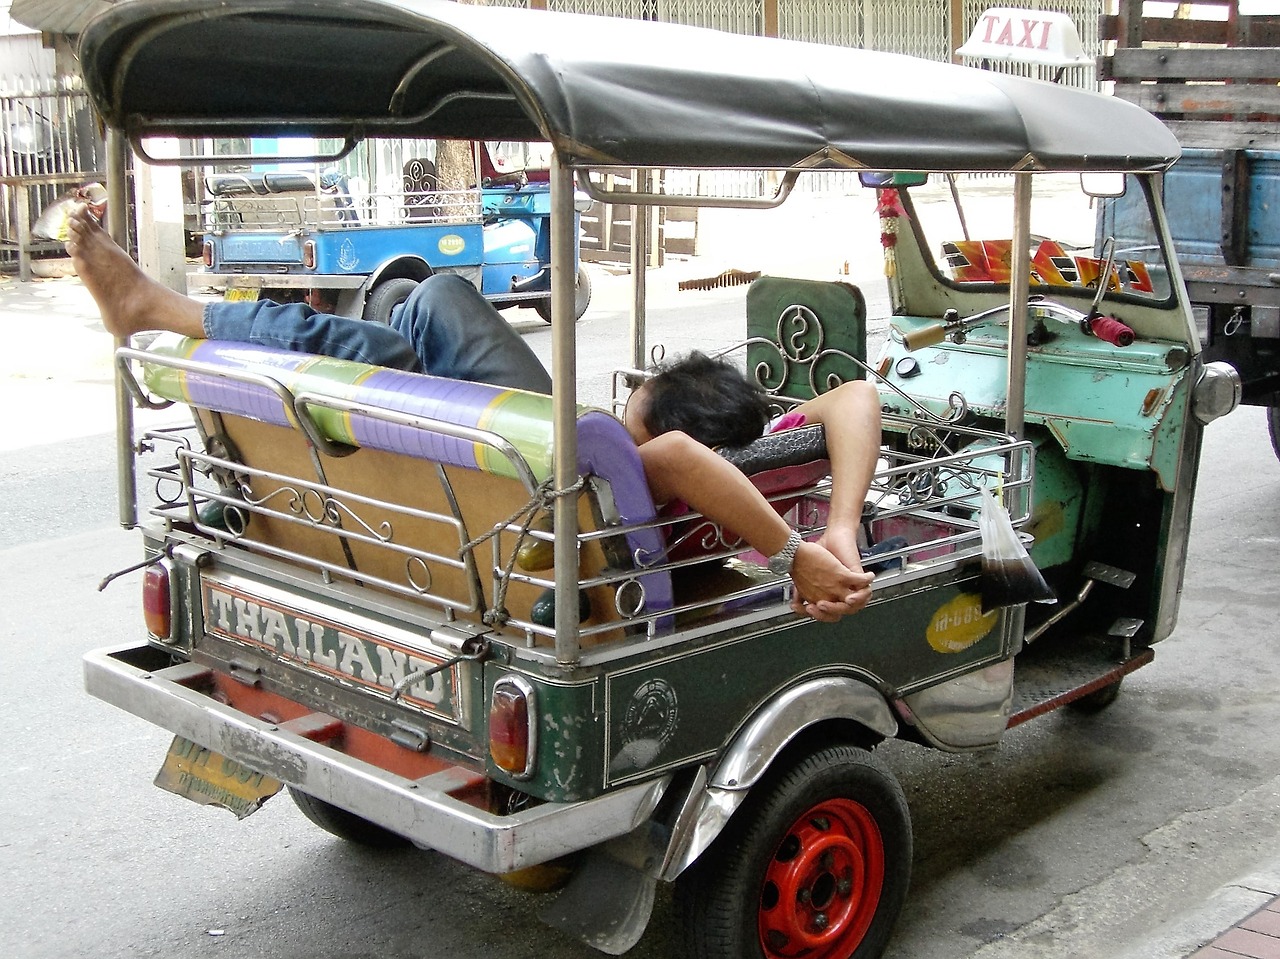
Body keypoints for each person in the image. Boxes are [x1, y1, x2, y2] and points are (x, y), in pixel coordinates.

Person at [66, 204, 876, 620]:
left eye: (632, 414)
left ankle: (161, 307)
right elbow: (855, 394)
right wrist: (838, 529)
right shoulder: (766, 461)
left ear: (656, 430)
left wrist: (793, 555)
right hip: (500, 492)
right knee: (429, 304)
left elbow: (671, 457)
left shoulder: (656, 466)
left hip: (519, 493)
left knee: (401, 334)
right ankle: (381, 325)